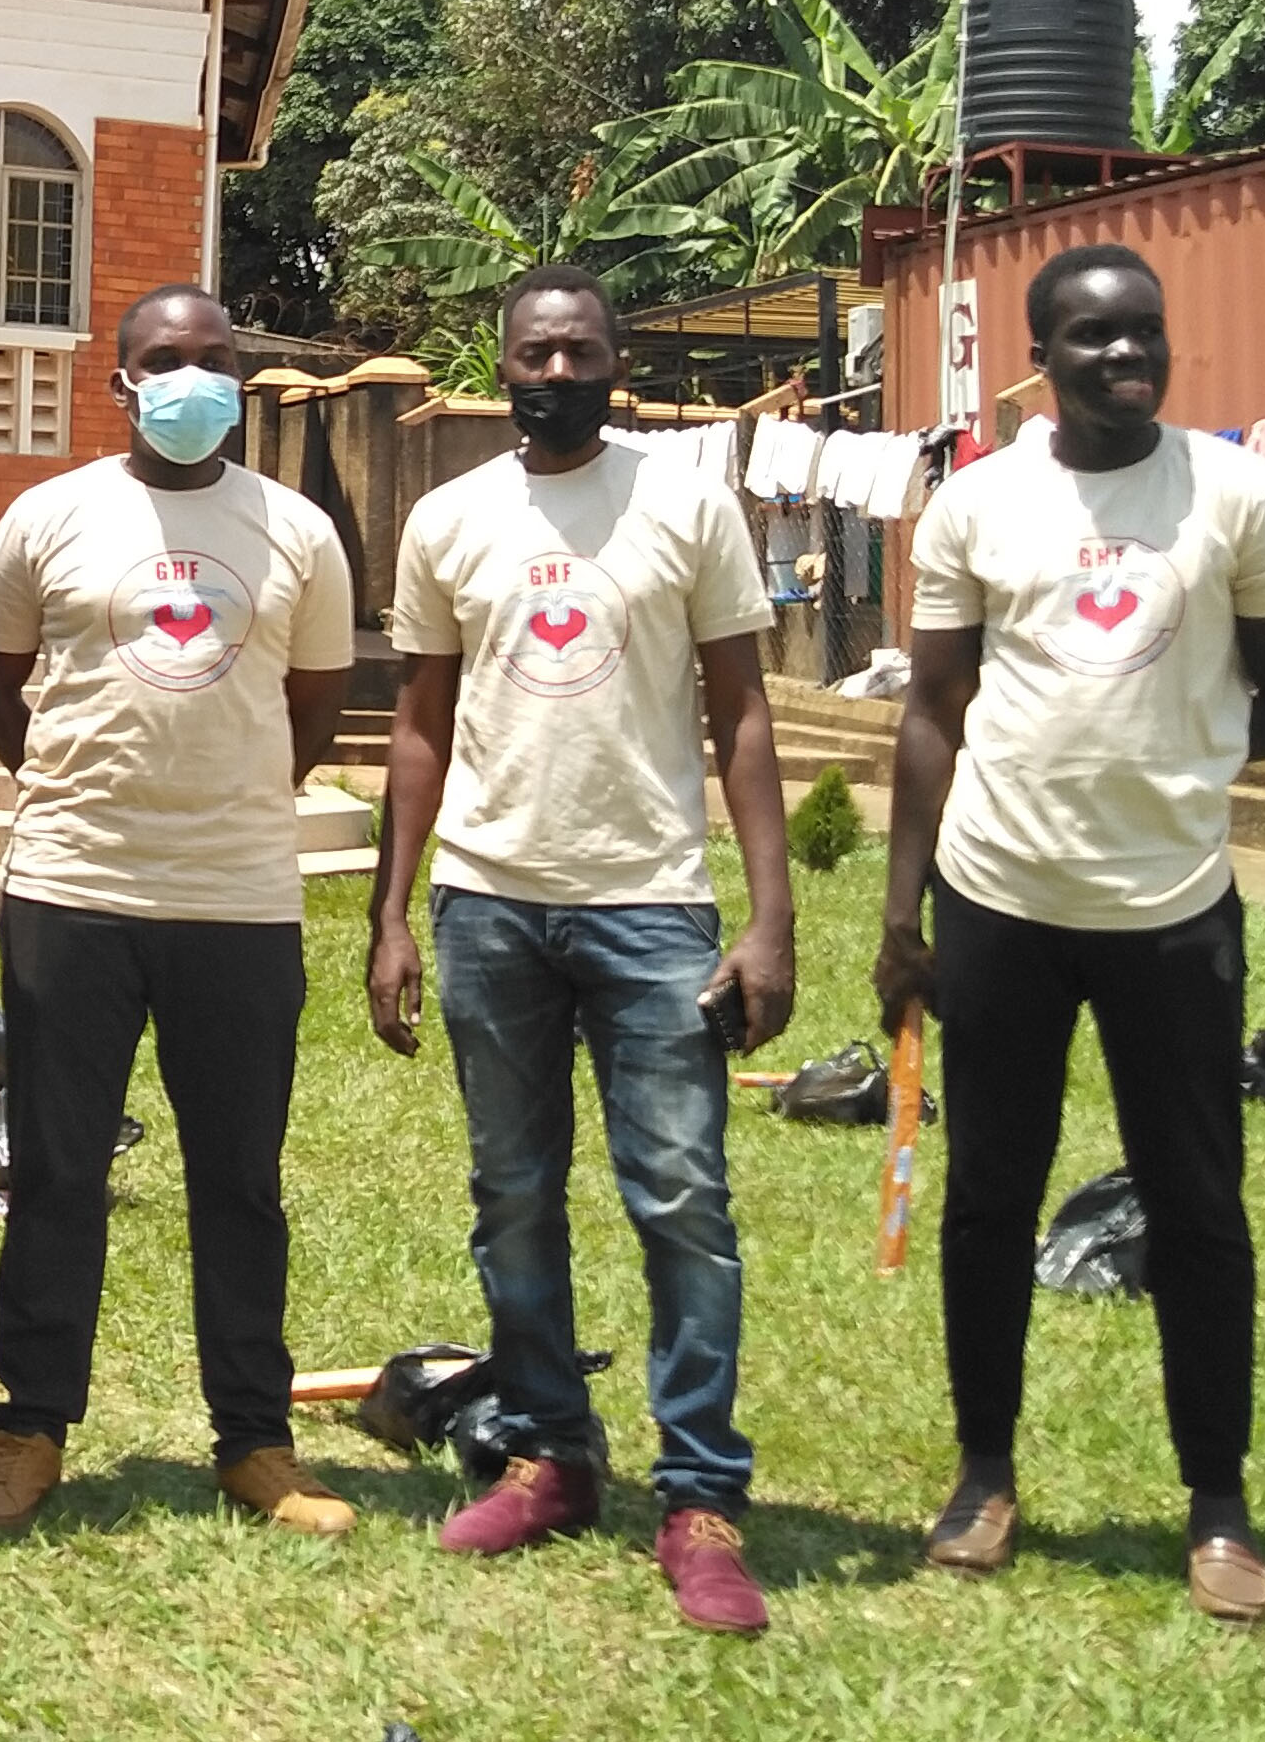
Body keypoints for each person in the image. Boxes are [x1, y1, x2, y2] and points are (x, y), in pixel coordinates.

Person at [876, 243, 1265, 1626]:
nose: (1127, 354)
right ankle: (983, 1475)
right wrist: (901, 916)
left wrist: (1177, 765)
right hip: (999, 902)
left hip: (1171, 912)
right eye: (1093, 336)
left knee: (1198, 1209)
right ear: (1042, 359)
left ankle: (1219, 1507)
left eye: (1145, 331)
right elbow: (932, 710)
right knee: (988, 1201)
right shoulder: (977, 503)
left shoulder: (1238, 496)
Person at [362, 262, 796, 1637]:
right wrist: (392, 912)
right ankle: (553, 1454)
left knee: (682, 1201)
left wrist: (770, 918)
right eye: (536, 352)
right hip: (489, 904)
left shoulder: (687, 504)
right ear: (501, 366)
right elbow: (420, 725)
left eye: (581, 352)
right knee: (513, 1194)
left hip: (651, 904)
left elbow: (741, 713)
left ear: (616, 364)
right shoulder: (448, 519)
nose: (558, 372)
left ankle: (701, 1497)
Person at [0, 283, 361, 1539]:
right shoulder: (49, 515)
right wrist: (60, 777)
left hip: (238, 898)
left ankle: (256, 1441)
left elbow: (315, 702)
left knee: (238, 1179)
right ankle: (30, 1428)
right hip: (73, 887)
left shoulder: (297, 530)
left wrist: (237, 792)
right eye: (165, 359)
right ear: (120, 381)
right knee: (57, 1172)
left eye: (214, 358)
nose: (193, 377)